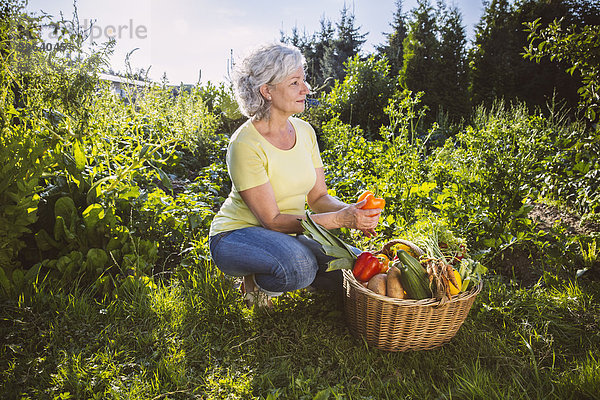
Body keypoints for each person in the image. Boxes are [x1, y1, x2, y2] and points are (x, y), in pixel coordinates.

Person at [208, 42, 382, 307]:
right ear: (266, 90)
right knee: (300, 265)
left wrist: (353, 211)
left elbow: (319, 197)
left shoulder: (305, 131)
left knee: (354, 266)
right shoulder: (244, 144)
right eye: (294, 82)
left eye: (304, 80)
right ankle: (257, 283)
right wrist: (339, 219)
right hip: (236, 236)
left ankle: (297, 270)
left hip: (289, 235)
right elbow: (273, 220)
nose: (306, 89)